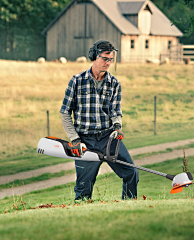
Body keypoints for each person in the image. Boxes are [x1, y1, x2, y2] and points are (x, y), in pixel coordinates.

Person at [60, 40, 139, 201]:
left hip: (108, 138)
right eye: (105, 59)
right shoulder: (76, 81)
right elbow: (65, 112)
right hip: (85, 141)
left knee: (131, 173)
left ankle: (130, 208)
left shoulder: (114, 84)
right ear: (94, 57)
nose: (108, 63)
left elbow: (115, 110)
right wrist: (75, 140)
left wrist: (117, 127)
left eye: (111, 59)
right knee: (83, 188)